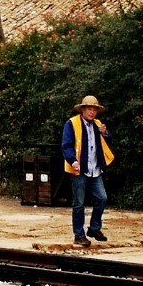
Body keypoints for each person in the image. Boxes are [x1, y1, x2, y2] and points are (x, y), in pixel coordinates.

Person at [60, 95, 113, 246]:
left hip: (95, 169)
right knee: (79, 204)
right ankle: (79, 235)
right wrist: (73, 160)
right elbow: (66, 145)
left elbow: (108, 142)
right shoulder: (72, 123)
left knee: (102, 198)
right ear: (83, 109)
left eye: (95, 110)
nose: (92, 112)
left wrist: (105, 134)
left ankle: (94, 228)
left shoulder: (98, 124)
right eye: (89, 109)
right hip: (79, 170)